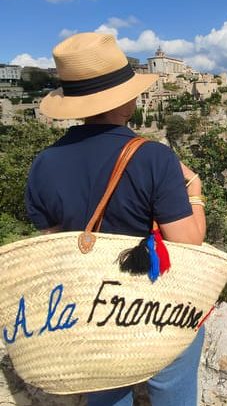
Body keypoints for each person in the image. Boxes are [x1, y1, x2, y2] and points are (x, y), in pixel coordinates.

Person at [25, 32, 207, 406]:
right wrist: (195, 191)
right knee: (174, 383)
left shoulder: (42, 164)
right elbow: (189, 244)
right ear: (126, 97)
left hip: (91, 312)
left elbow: (57, 244)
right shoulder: (154, 157)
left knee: (106, 393)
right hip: (154, 308)